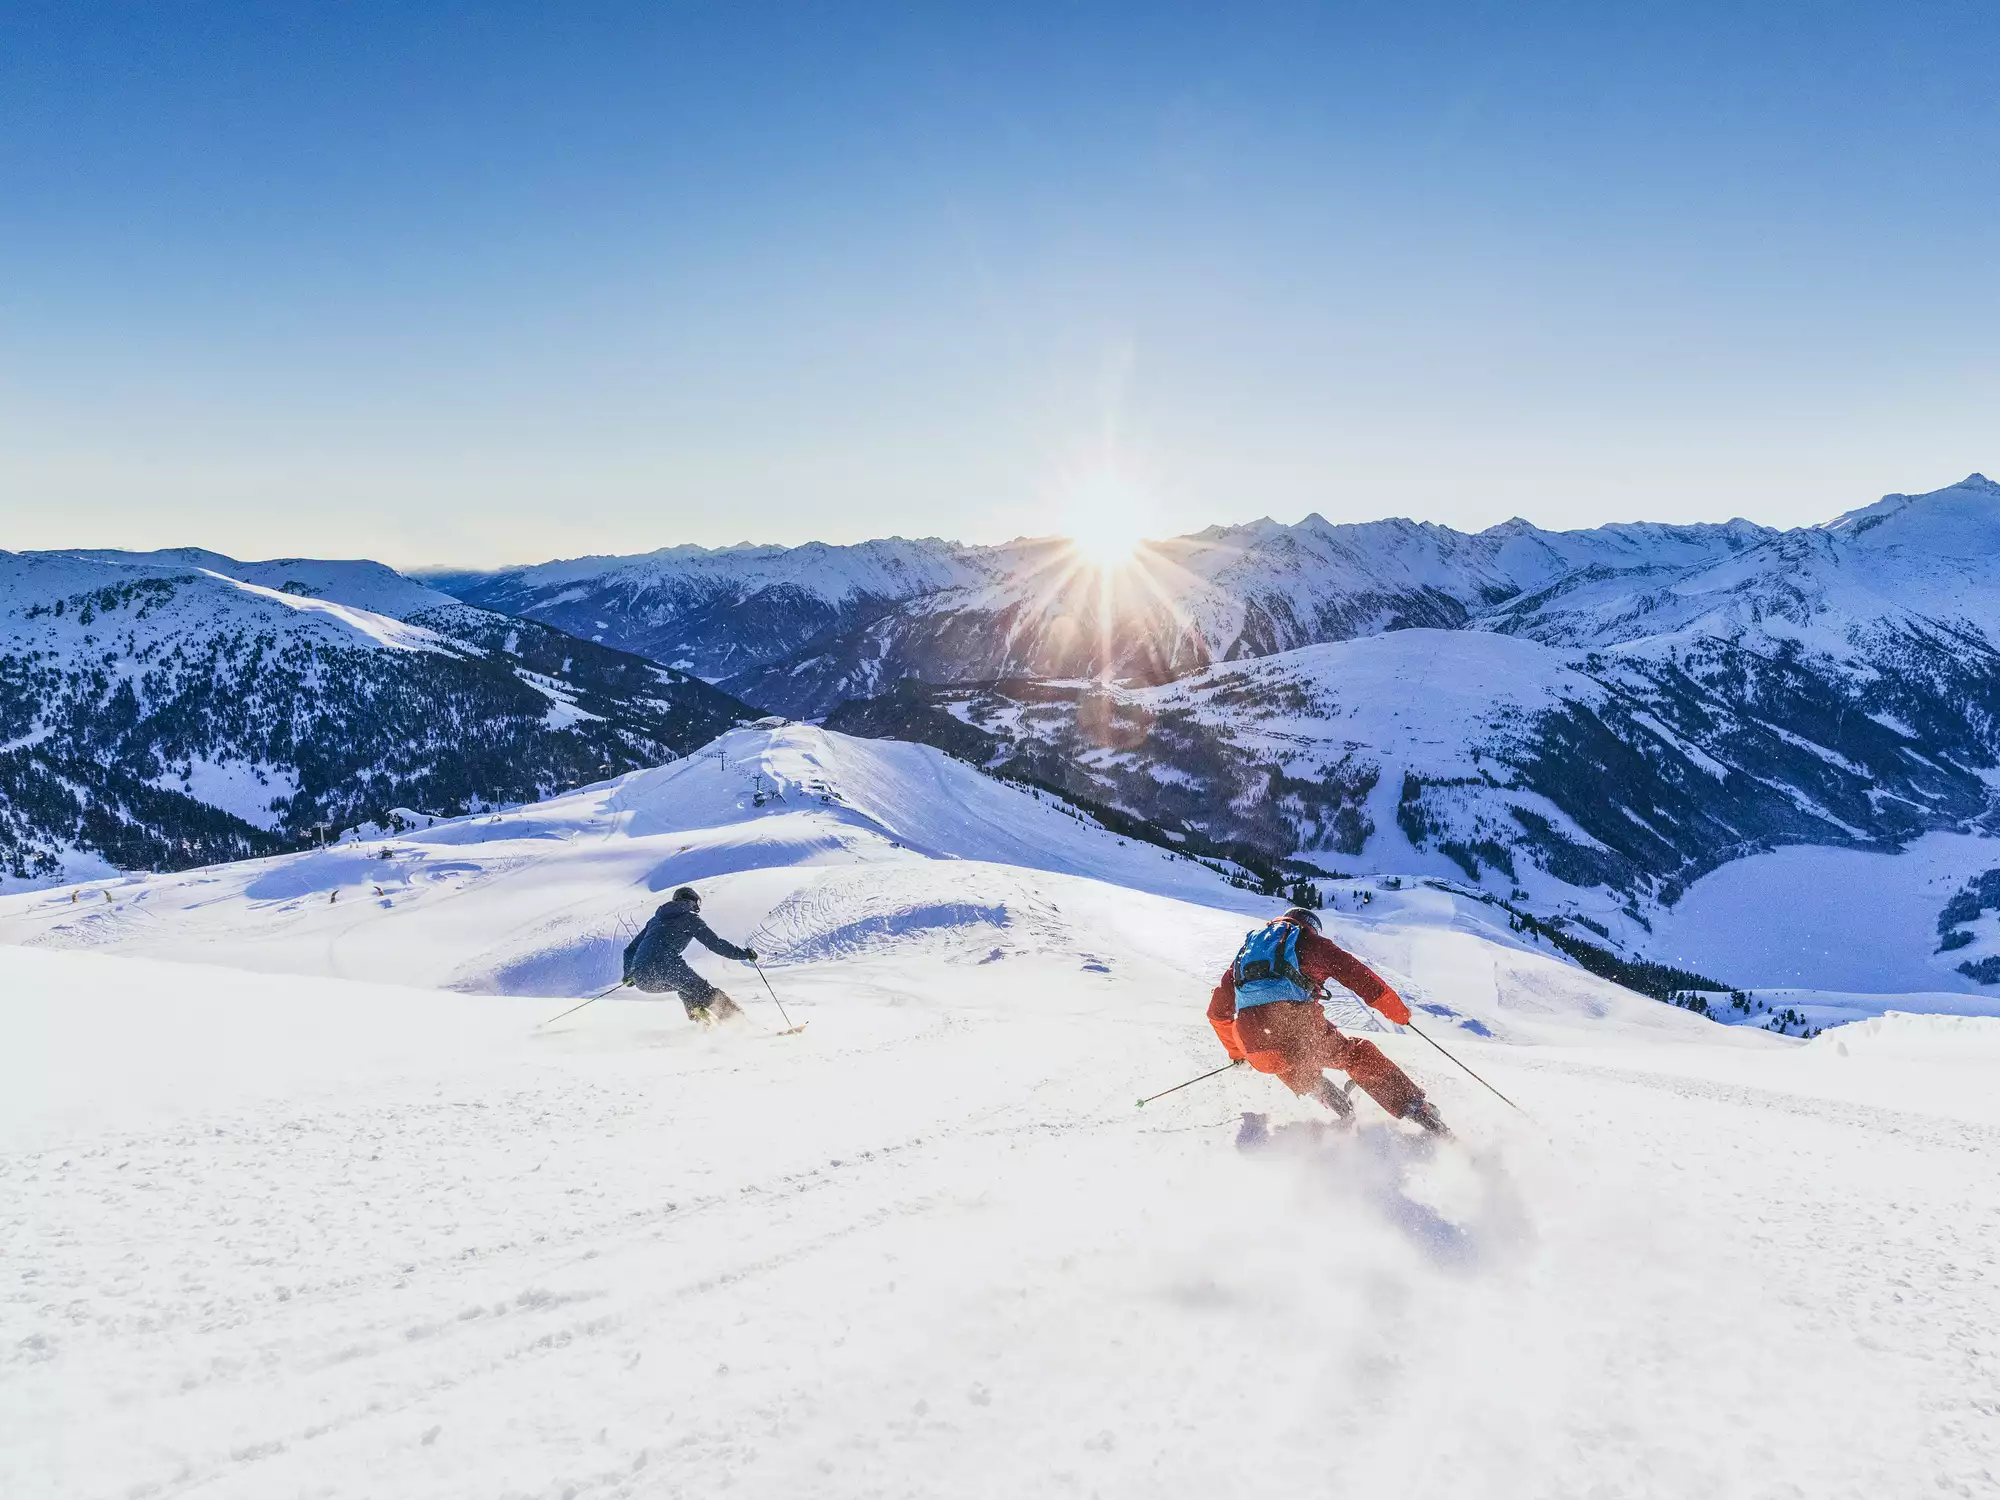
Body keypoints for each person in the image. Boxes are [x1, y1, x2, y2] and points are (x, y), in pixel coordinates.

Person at [1208, 907, 1448, 1134]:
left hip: (1252, 1045)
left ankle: (1329, 1097)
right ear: (1310, 926)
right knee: (1356, 1054)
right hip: (1293, 1028)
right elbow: (1358, 975)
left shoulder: (1246, 956)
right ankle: (1417, 1109)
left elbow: (1217, 1013)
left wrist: (1238, 1054)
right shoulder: (1309, 943)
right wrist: (1398, 1013)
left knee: (1283, 1059)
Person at [622, 886, 759, 1026]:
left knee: (688, 989)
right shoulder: (689, 918)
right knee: (709, 994)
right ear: (693, 901)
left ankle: (702, 1018)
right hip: (666, 967)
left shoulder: (655, 920)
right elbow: (715, 944)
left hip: (642, 979)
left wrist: (629, 973)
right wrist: (744, 954)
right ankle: (743, 1025)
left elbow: (630, 950)